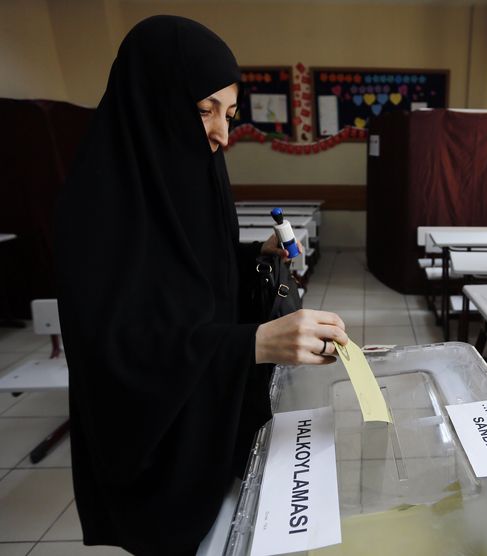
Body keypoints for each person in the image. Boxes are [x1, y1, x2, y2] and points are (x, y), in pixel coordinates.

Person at [54, 16, 348, 556]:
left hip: (209, 416)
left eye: (229, 114)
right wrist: (252, 343)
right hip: (158, 441)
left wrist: (249, 255)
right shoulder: (96, 208)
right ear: (153, 101)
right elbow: (116, 348)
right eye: (204, 109)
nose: (222, 133)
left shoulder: (197, 175)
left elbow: (190, 274)